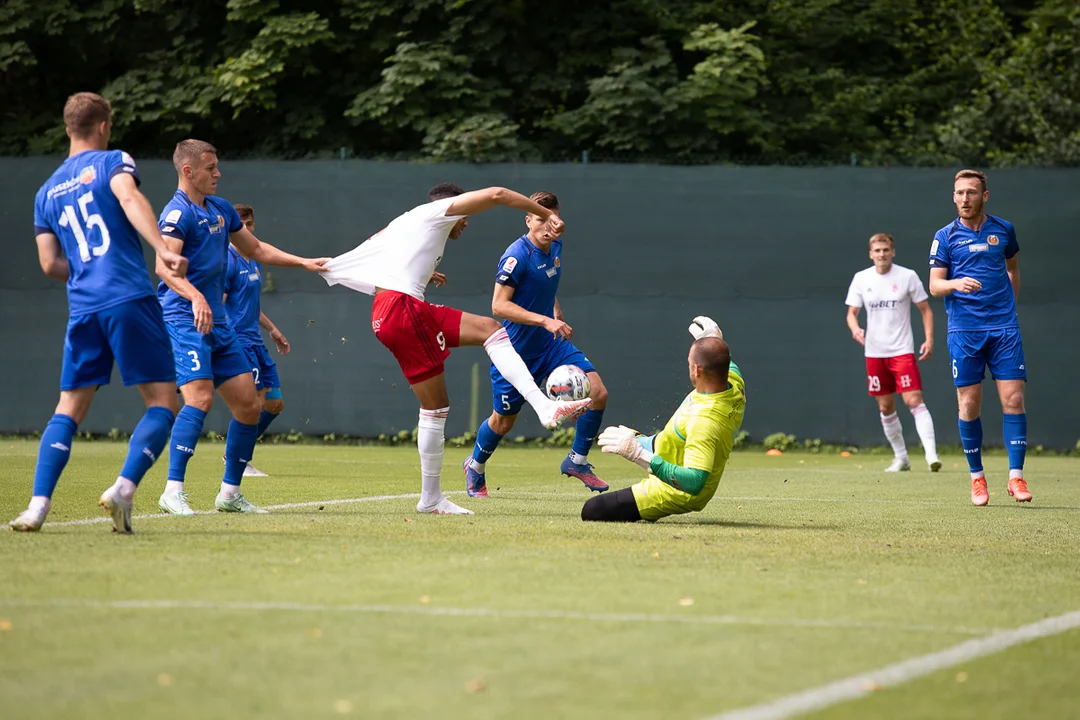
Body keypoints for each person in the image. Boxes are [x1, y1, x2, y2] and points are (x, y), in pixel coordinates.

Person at [321, 184, 593, 515]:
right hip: (403, 310)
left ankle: (435, 495)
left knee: (488, 334)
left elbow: (381, 259)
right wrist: (547, 214)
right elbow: (496, 194)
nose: (466, 223)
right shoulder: (438, 214)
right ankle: (432, 498)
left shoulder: (412, 223)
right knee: (438, 406)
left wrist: (420, 272)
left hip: (395, 309)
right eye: (463, 217)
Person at [10, 92, 188, 533]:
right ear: (104, 126)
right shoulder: (112, 162)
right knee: (164, 401)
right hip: (127, 296)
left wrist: (87, 267)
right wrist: (163, 249)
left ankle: (36, 507)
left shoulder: (45, 191)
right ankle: (125, 489)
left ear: (68, 128)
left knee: (68, 408)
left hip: (83, 307)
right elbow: (129, 200)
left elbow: (50, 264)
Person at [156, 140, 327, 516]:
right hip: (185, 318)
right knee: (199, 399)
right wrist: (196, 297)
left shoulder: (219, 209)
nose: (217, 173)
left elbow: (258, 250)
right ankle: (172, 491)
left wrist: (304, 263)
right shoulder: (176, 213)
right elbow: (164, 269)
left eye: (218, 166)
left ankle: (230, 494)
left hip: (218, 321)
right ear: (188, 171)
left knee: (250, 406)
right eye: (210, 167)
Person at [463, 191, 609, 497]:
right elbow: (499, 307)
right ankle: (475, 466)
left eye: (551, 218)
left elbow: (542, 284)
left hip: (550, 345)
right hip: (514, 352)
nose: (546, 225)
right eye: (539, 218)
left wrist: (553, 311)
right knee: (503, 423)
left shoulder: (555, 244)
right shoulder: (516, 256)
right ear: (527, 219)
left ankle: (577, 461)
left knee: (597, 393)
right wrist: (545, 320)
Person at [581, 317, 746, 523]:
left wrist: (638, 454)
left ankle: (643, 449)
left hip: (677, 489)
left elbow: (694, 482)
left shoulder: (704, 422)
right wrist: (713, 340)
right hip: (666, 446)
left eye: (689, 363)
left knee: (592, 510)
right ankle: (645, 442)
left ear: (697, 370)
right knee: (614, 435)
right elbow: (721, 360)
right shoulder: (733, 381)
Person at [929, 169, 1029, 506]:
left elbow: (1012, 268)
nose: (964, 199)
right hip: (964, 331)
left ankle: (1016, 477)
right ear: (953, 197)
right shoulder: (945, 236)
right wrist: (956, 284)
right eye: (959, 193)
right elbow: (934, 285)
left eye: (971, 192)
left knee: (1013, 400)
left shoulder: (1004, 230)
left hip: (1003, 329)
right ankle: (977, 479)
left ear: (984, 196)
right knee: (969, 404)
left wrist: (1007, 309)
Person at [845, 233, 941, 472]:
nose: (882, 254)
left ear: (893, 252)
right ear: (871, 254)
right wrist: (855, 328)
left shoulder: (907, 276)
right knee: (886, 407)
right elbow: (851, 313)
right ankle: (902, 458)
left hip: (902, 350)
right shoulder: (861, 278)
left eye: (886, 250)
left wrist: (929, 340)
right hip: (874, 353)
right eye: (877, 250)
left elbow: (926, 310)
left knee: (913, 400)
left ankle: (931, 456)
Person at [221, 203, 290, 477]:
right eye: (241, 226)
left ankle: (234, 453)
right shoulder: (227, 260)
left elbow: (249, 304)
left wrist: (273, 329)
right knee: (255, 403)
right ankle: (237, 460)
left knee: (274, 404)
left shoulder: (253, 258)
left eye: (250, 225)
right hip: (238, 341)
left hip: (256, 340)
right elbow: (220, 304)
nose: (246, 230)